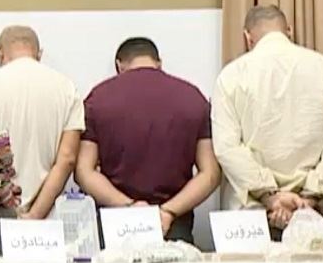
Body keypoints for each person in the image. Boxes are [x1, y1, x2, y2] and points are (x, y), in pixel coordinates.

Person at [211, 5, 323, 228]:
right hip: (309, 213)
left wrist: (270, 196)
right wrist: (309, 196)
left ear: (248, 37)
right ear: (289, 30)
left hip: (249, 219)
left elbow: (227, 148)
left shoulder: (230, 77)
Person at [76, 37, 219, 241]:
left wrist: (130, 206)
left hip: (116, 223)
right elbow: (211, 173)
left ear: (119, 65)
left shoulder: (97, 99)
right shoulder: (193, 98)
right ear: (158, 63)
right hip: (173, 224)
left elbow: (83, 171)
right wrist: (168, 211)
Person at [0, 25, 85, 219]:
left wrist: (11, 210)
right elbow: (67, 159)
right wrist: (35, 215)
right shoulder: (67, 89)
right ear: (39, 54)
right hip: (48, 217)